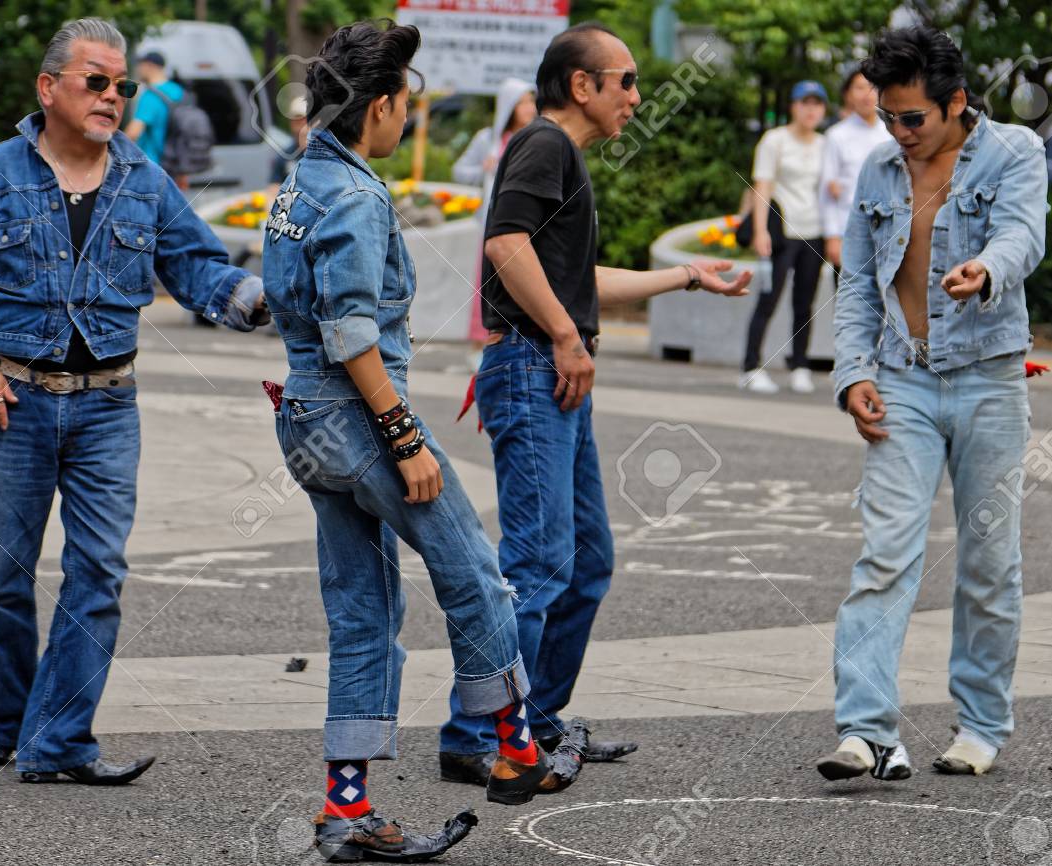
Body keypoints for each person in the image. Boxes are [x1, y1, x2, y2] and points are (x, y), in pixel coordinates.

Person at [261, 21, 579, 862]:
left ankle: (347, 810)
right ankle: (514, 748)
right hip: (361, 420)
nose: (408, 115)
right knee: (476, 575)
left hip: (306, 418)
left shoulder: (299, 183)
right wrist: (406, 439)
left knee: (363, 611)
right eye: (406, 100)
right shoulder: (356, 197)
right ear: (378, 106)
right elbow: (352, 334)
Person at [0, 18, 269, 787]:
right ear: (49, 88)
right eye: (97, 81)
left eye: (124, 85)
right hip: (11, 402)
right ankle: (7, 726)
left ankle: (59, 742)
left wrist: (260, 298)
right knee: (1, 579)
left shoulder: (146, 181)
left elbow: (199, 268)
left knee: (98, 571)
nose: (113, 96)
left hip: (109, 407)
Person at [438, 22, 751, 788]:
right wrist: (563, 335)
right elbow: (505, 247)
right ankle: (477, 734)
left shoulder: (560, 155)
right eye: (627, 81)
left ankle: (534, 720)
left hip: (549, 369)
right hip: (532, 367)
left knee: (584, 563)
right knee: (538, 565)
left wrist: (688, 277)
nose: (637, 98)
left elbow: (577, 280)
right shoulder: (544, 144)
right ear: (582, 85)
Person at [818, 26, 1047, 782]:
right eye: (887, 115)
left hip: (990, 378)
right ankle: (866, 730)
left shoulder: (1015, 151)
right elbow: (857, 283)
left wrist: (986, 268)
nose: (898, 131)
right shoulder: (879, 168)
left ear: (956, 103)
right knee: (884, 556)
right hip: (902, 379)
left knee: (989, 562)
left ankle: (980, 725)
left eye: (912, 117)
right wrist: (853, 373)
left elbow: (1023, 234)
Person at [740, 80, 828, 395]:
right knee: (769, 299)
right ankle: (750, 366)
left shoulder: (825, 144)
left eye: (817, 104)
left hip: (814, 232)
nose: (811, 110)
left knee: (805, 304)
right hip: (782, 232)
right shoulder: (774, 140)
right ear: (793, 106)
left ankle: (800, 366)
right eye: (805, 103)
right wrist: (760, 230)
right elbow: (761, 187)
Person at [452, 78, 537, 363]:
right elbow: (459, 171)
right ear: (509, 106)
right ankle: (480, 346)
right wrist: (482, 168)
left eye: (531, 101)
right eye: (522, 102)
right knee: (486, 284)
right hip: (492, 224)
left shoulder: (536, 139)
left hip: (526, 224)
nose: (529, 108)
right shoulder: (487, 139)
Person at [818, 70, 890, 268]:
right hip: (848, 232)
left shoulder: (893, 132)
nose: (867, 94)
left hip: (888, 232)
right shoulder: (836, 135)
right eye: (859, 88)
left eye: (872, 87)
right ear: (848, 95)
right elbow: (827, 190)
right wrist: (832, 236)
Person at [125, 51, 184, 184]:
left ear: (149, 66)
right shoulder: (178, 90)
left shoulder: (150, 95)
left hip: (152, 168)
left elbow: (133, 133)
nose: (138, 70)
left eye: (140, 65)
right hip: (175, 165)